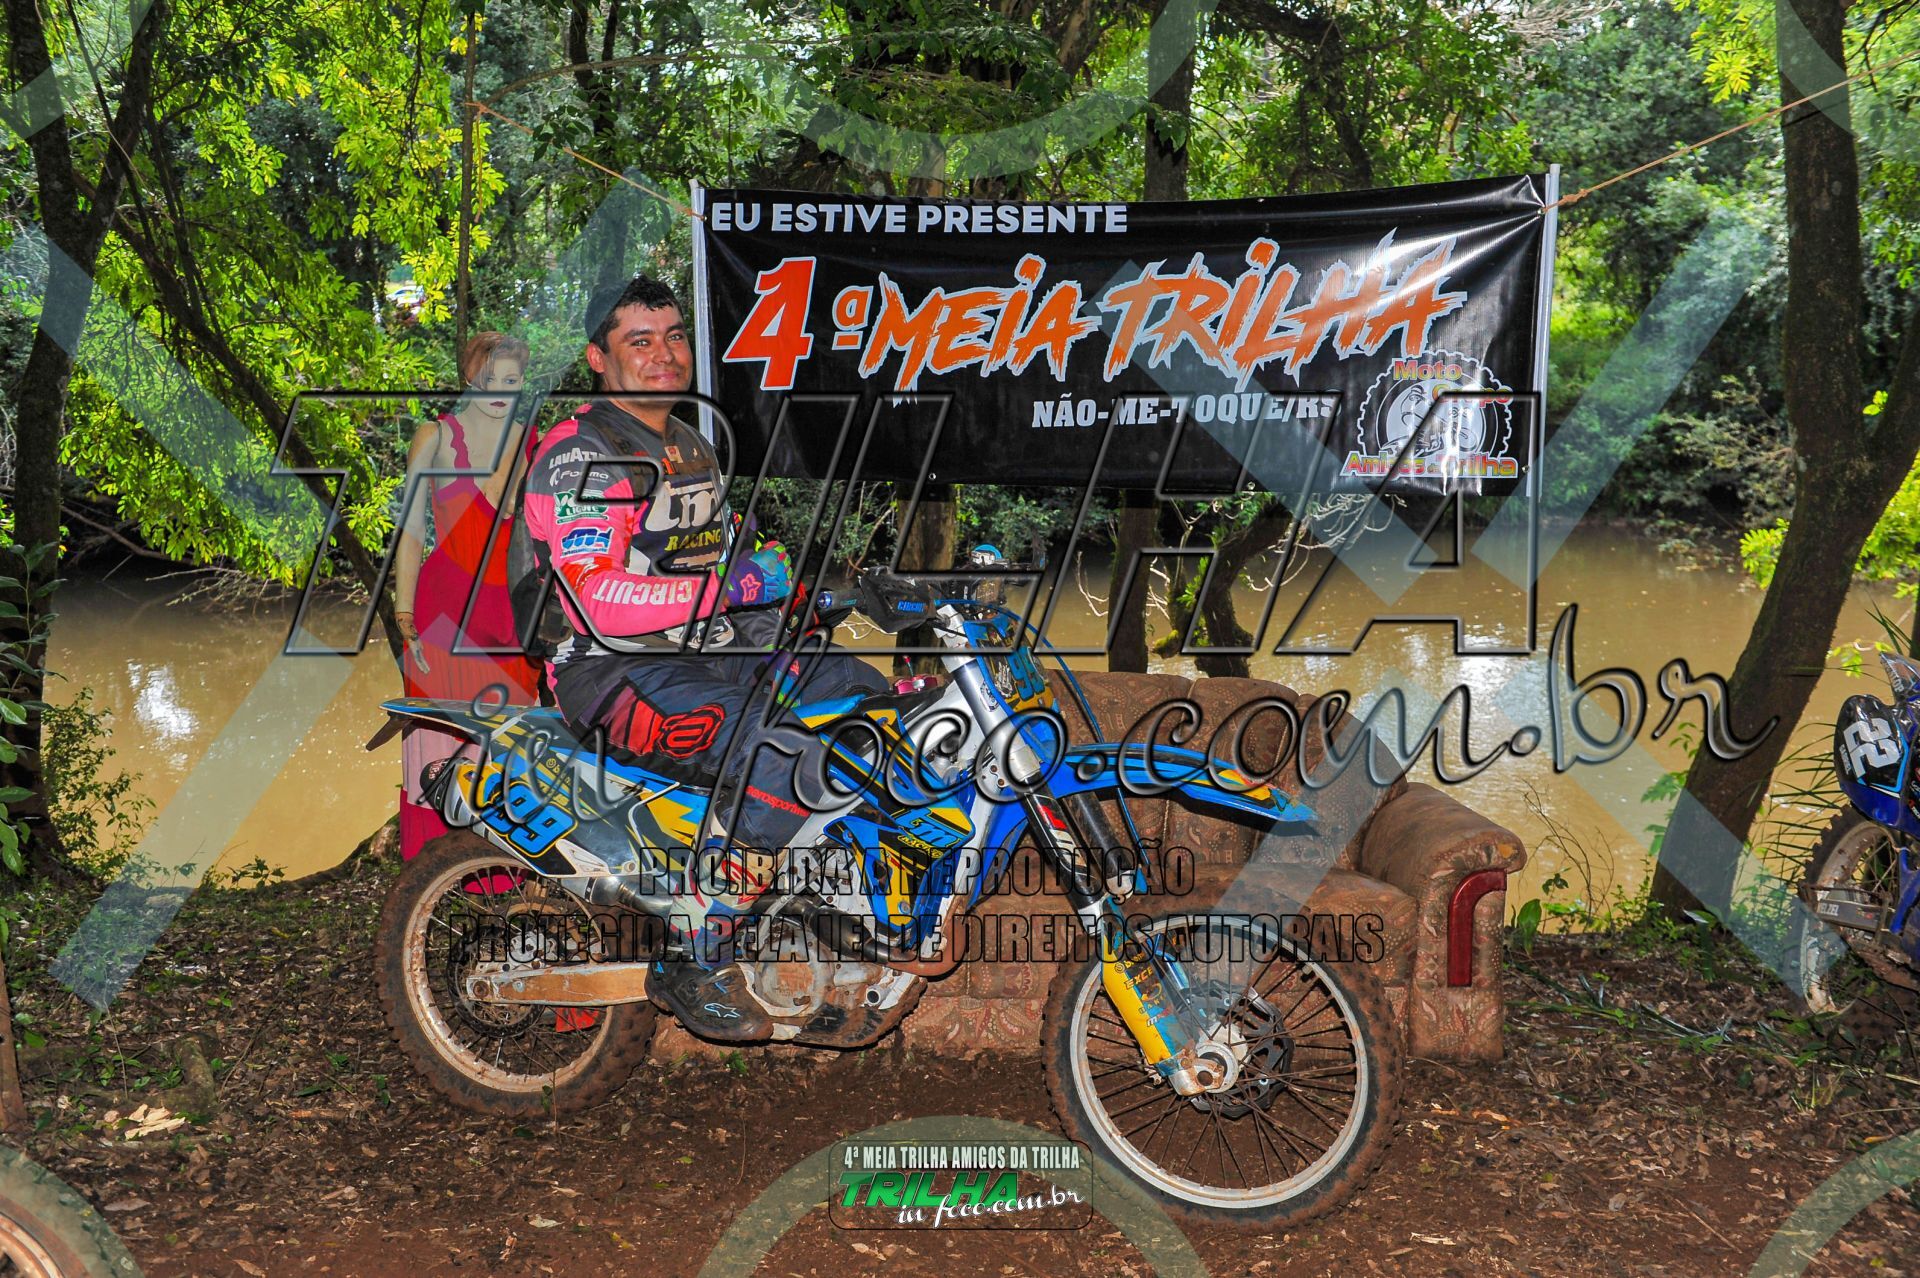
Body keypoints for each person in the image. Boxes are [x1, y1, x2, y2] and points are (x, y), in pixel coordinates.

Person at [513, 273, 888, 1038]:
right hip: (609, 670)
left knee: (864, 697)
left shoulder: (687, 444)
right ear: (598, 358)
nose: (664, 354)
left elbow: (718, 558)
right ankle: (692, 951)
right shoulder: (579, 454)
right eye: (639, 341)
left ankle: (811, 905)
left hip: (708, 654)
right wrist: (732, 588)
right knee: (772, 753)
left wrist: (787, 596)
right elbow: (600, 598)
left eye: (674, 336)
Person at [393, 332, 542, 860]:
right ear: (469, 378)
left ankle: (506, 875)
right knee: (441, 744)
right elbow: (412, 531)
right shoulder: (433, 436)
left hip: (509, 614)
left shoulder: (534, 442)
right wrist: (404, 612)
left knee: (509, 747)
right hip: (442, 613)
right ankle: (435, 874)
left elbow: (541, 534)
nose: (499, 390)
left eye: (511, 380)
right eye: (488, 378)